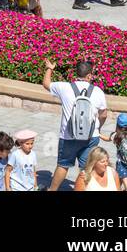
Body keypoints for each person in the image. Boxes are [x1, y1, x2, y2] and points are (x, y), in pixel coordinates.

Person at [43, 58, 109, 191]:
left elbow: (46, 84)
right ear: (89, 75)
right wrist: (98, 128)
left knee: (63, 165)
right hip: (91, 137)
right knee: (87, 167)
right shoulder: (98, 92)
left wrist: (50, 68)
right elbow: (103, 114)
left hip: (68, 135)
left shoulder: (64, 87)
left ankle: (52, 190)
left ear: (76, 74)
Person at [105, 112, 127, 183]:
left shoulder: (116, 136)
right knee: (120, 179)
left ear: (117, 125)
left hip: (122, 163)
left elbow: (107, 139)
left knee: (125, 181)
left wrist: (98, 134)